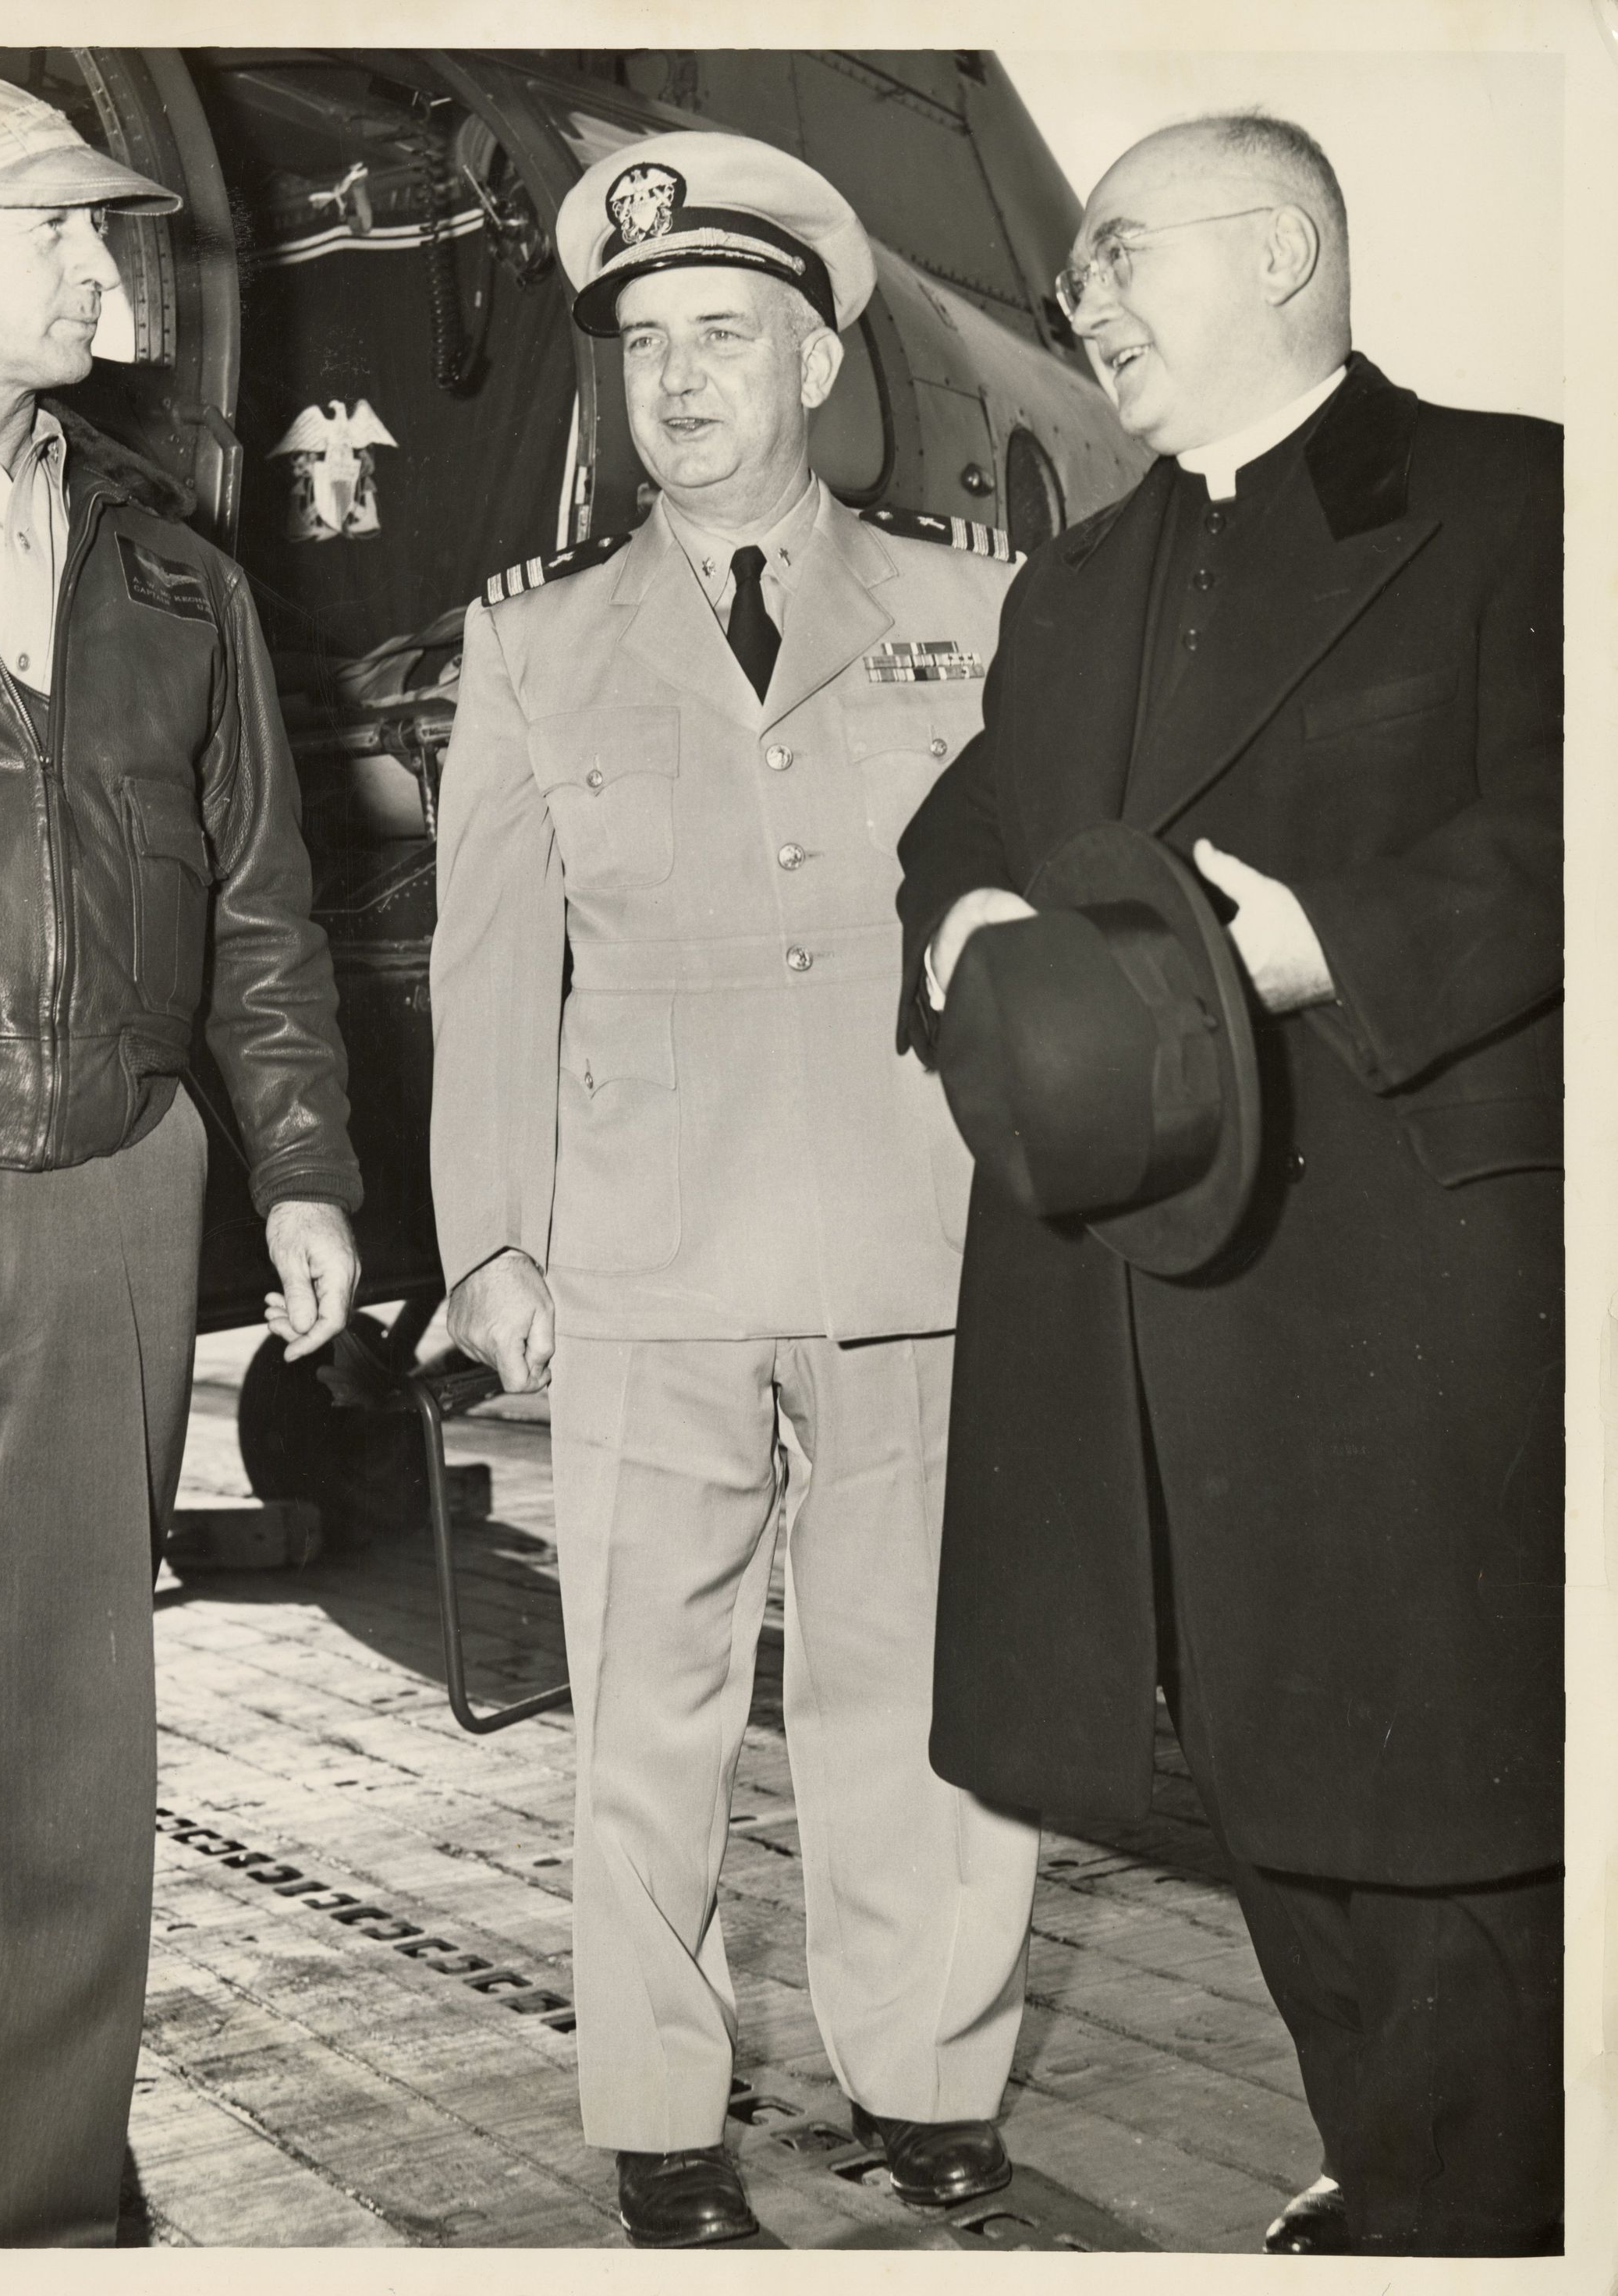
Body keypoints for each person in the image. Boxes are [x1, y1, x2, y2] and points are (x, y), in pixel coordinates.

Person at [898, 114, 1562, 2257]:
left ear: (1277, 251)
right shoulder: (1080, 580)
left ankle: (1477, 2203)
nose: (1080, 303)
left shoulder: (1513, 501)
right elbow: (961, 832)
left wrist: (1334, 943)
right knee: (1268, 1789)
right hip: (1147, 1283)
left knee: (1441, 1809)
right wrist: (962, 936)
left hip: (1402, 1285)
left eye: (1116, 256)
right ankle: (1410, 2169)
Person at [429, 130, 1039, 2248]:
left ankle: (932, 2081)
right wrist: (493, 1242)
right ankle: (662, 2121)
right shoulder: (531, 651)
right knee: (647, 1721)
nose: (683, 381)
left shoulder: (982, 614)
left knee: (921, 1703)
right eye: (648, 345)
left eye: (727, 336)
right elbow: (494, 963)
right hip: (648, 1262)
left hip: (928, 1241)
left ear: (815, 361)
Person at [0, 69, 362, 2246]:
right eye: (50, 228)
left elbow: (256, 902)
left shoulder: (169, 566)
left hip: (122, 1178)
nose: (97, 267)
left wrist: (299, 1167)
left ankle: (27, 2227)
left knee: (61, 1757)